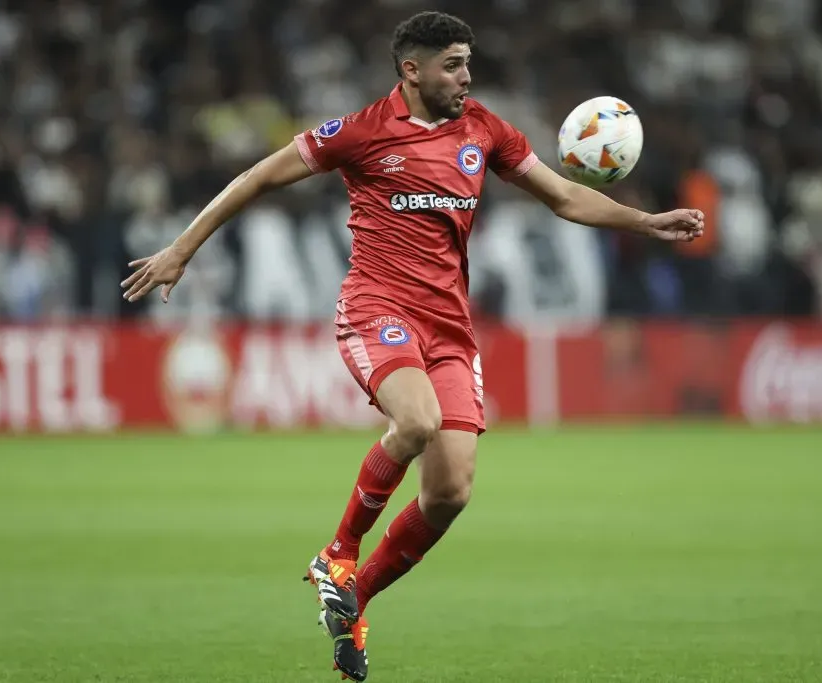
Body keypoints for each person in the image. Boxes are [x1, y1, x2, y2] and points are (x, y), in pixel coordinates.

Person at [121, 11, 703, 681]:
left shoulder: (484, 129)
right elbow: (256, 177)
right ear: (412, 70)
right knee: (418, 420)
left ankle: (354, 597)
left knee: (451, 490)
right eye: (453, 64)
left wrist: (645, 221)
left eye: (467, 62)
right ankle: (337, 553)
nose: (466, 76)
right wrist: (180, 250)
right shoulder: (361, 132)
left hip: (450, 330)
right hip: (376, 310)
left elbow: (565, 196)